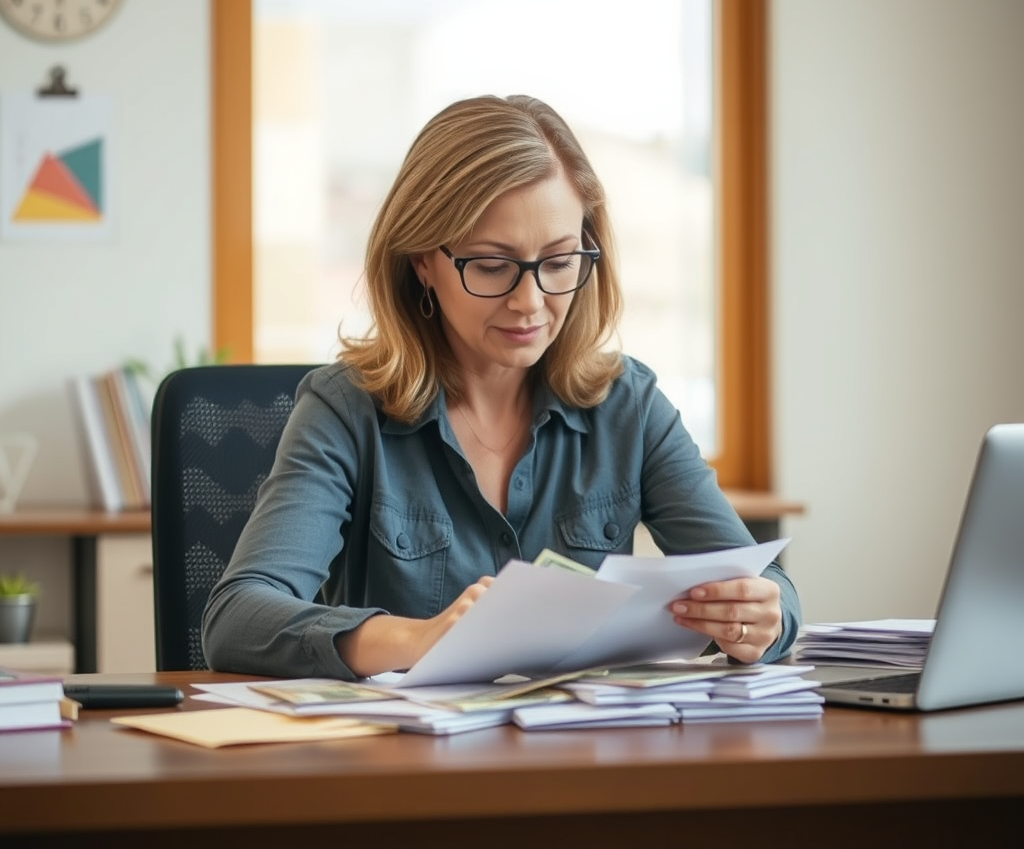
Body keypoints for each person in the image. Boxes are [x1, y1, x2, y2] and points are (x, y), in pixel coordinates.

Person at [202, 94, 801, 679]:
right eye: (491, 265)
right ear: (421, 263)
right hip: (402, 764)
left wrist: (761, 619)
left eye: (560, 261)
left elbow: (769, 591)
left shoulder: (630, 407)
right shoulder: (344, 410)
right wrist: (418, 636)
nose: (530, 302)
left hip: (577, 754)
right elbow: (236, 618)